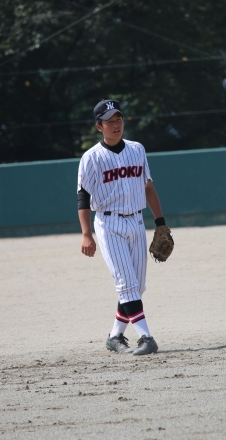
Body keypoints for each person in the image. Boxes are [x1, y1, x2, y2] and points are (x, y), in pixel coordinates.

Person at [77, 99, 167, 356]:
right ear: (99, 127)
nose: (116, 125)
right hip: (108, 223)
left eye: (119, 119)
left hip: (136, 221)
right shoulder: (92, 157)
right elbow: (83, 196)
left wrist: (160, 222)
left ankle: (115, 336)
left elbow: (148, 188)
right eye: (109, 122)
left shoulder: (137, 149)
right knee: (126, 283)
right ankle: (146, 337)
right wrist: (86, 234)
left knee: (137, 286)